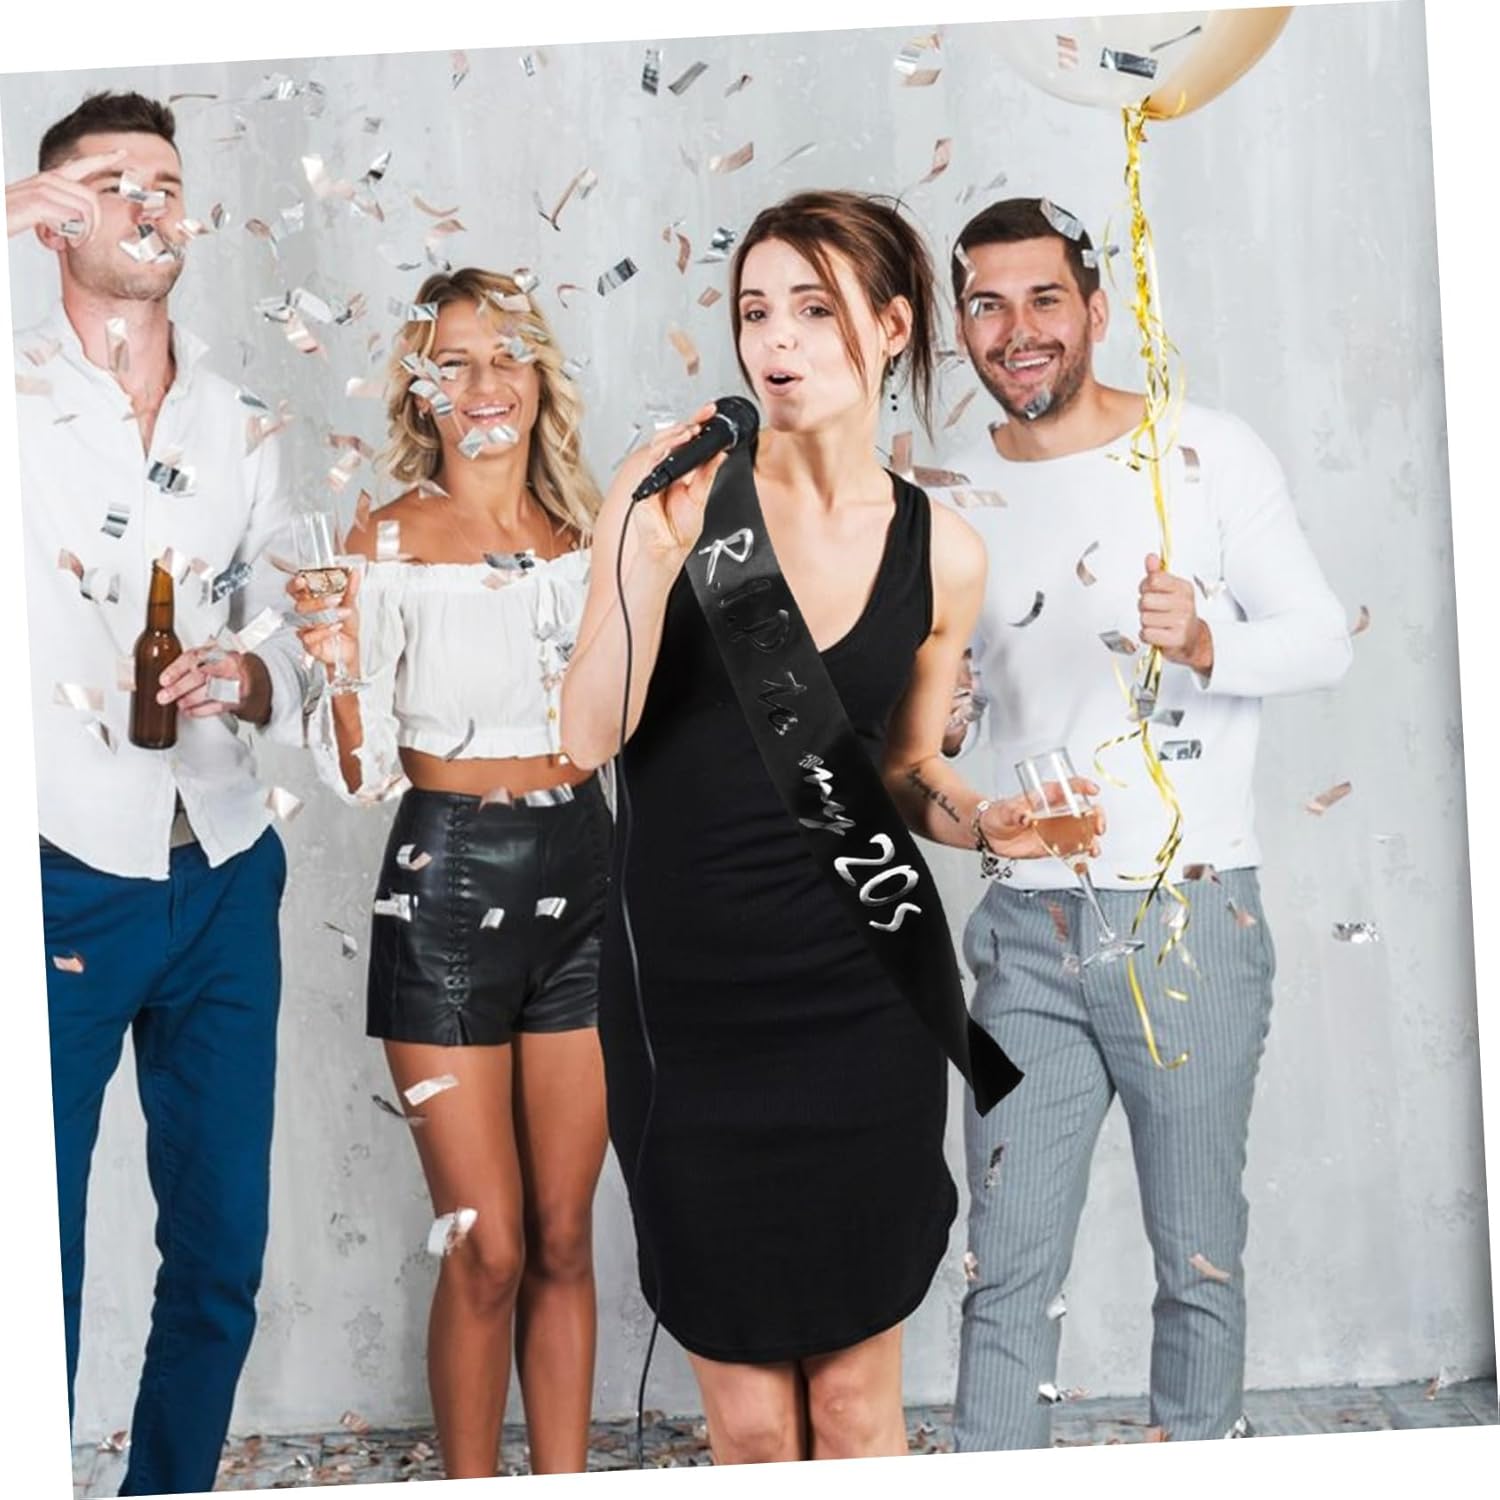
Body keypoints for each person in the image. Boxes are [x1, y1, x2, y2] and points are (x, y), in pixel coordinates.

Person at [560, 190, 1078, 1464]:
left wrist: (989, 819)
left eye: (812, 308)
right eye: (754, 312)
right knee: (746, 1419)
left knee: (852, 1407)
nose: (776, 341)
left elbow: (902, 771)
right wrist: (644, 556)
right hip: (690, 1008)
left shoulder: (943, 551)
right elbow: (585, 737)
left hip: (862, 1000)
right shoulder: (676, 502)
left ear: (891, 327)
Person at [936, 196, 1355, 1448]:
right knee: (1004, 1267)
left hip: (1192, 923)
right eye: (987, 304)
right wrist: (945, 714)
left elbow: (1323, 641)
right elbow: (948, 716)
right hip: (1024, 934)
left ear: (1096, 309)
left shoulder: (1206, 453)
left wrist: (1210, 639)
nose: (1017, 330)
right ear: (961, 324)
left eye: (1043, 299)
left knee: (1198, 1259)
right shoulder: (943, 489)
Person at [9, 91, 318, 1495]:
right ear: (52, 218)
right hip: (57, 871)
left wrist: (249, 676)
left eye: (166, 181)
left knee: (221, 1249)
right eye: (110, 180)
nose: (146, 201)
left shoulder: (240, 420)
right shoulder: (12, 398)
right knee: (34, 1252)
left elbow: (290, 621)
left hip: (224, 868)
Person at [291, 267, 609, 1478]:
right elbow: (360, 776)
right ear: (421, 389)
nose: (485, 383)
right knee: (488, 1246)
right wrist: (335, 665)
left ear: (539, 376)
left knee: (567, 1236)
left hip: (587, 871)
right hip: (446, 883)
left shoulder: (588, 539)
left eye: (507, 355)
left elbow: (629, 717)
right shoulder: (385, 540)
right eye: (456, 361)